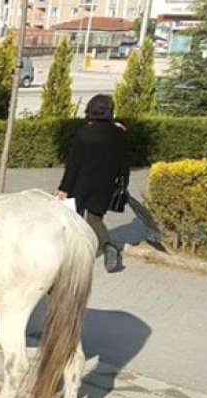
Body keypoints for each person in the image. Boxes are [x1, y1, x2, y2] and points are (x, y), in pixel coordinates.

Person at [56, 94, 130, 273]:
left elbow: (73, 165)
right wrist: (123, 184)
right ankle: (108, 247)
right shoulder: (118, 134)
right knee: (95, 219)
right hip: (105, 185)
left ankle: (75, 256)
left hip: (80, 184)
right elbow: (124, 163)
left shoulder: (84, 134)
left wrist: (64, 188)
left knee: (74, 219)